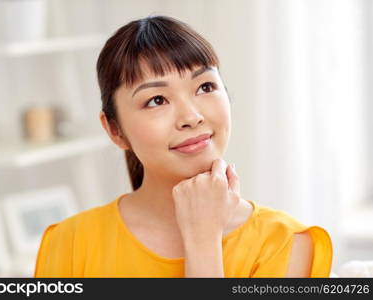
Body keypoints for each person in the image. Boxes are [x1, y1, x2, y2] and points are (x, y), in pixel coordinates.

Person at [34, 15, 333, 278]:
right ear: (115, 129)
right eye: (156, 100)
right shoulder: (69, 243)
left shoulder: (286, 243)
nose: (192, 117)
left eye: (205, 87)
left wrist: (202, 240)